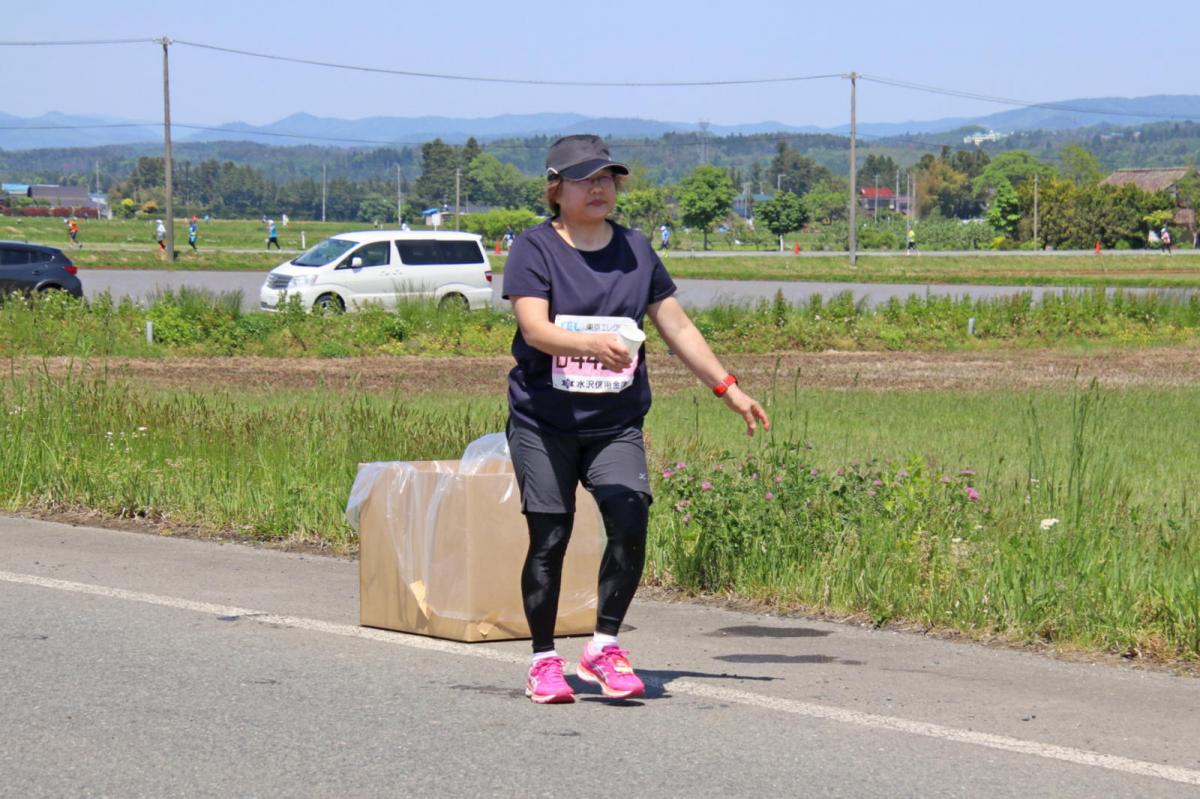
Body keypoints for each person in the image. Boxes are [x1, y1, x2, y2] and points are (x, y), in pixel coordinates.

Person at [503, 134, 770, 704]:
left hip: (614, 423)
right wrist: (591, 344)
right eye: (585, 180)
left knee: (630, 516)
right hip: (544, 422)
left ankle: (603, 646)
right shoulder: (534, 248)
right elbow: (534, 329)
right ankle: (544, 661)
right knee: (550, 535)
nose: (599, 188)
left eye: (607, 178)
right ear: (556, 189)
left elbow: (677, 325)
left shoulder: (637, 249)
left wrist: (727, 388)